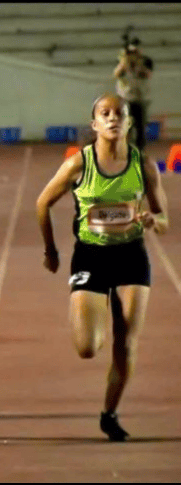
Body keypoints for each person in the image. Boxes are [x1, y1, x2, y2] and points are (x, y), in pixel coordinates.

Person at [36, 93, 168, 441]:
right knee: (88, 348)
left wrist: (154, 221)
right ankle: (88, 308)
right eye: (104, 114)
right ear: (94, 124)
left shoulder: (144, 165)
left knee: (125, 344)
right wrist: (51, 251)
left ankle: (109, 413)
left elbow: (164, 216)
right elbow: (42, 203)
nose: (112, 119)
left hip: (131, 256)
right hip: (91, 256)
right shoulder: (78, 165)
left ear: (129, 123)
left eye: (119, 114)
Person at [113, 39, 153, 151]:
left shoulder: (145, 61)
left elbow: (147, 74)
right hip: (125, 98)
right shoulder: (122, 62)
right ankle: (124, 151)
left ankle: (140, 152)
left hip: (140, 98)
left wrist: (138, 63)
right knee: (125, 128)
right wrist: (124, 61)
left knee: (140, 128)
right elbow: (116, 74)